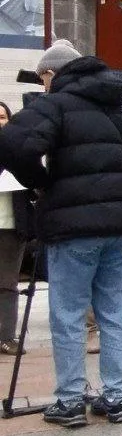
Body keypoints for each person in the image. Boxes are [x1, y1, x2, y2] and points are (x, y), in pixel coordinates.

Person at [0, 40, 122, 426]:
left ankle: (69, 399)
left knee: (68, 315)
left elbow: (11, 142)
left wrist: (41, 181)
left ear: (51, 74)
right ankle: (115, 397)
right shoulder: (115, 107)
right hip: (119, 224)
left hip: (73, 227)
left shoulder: (55, 103)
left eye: (43, 77)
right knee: (113, 314)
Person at [0, 102, 25, 355]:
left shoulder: (18, 150)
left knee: (7, 283)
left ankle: (6, 336)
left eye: (2, 117)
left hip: (10, 225)